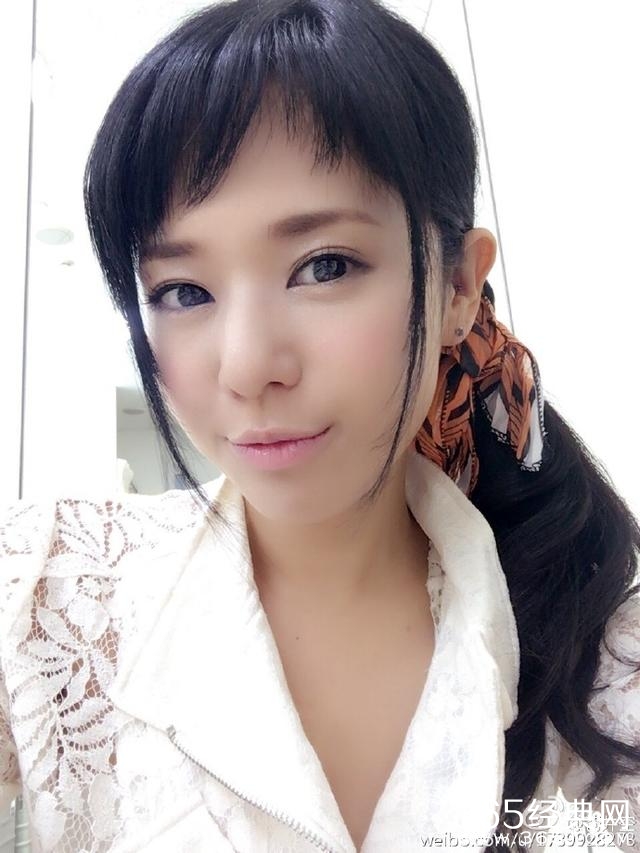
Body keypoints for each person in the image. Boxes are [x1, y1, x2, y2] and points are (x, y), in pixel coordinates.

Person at [1, 0, 639, 850]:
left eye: (324, 265)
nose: (246, 366)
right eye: (183, 290)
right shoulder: (47, 595)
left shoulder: (615, 660)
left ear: (458, 286)